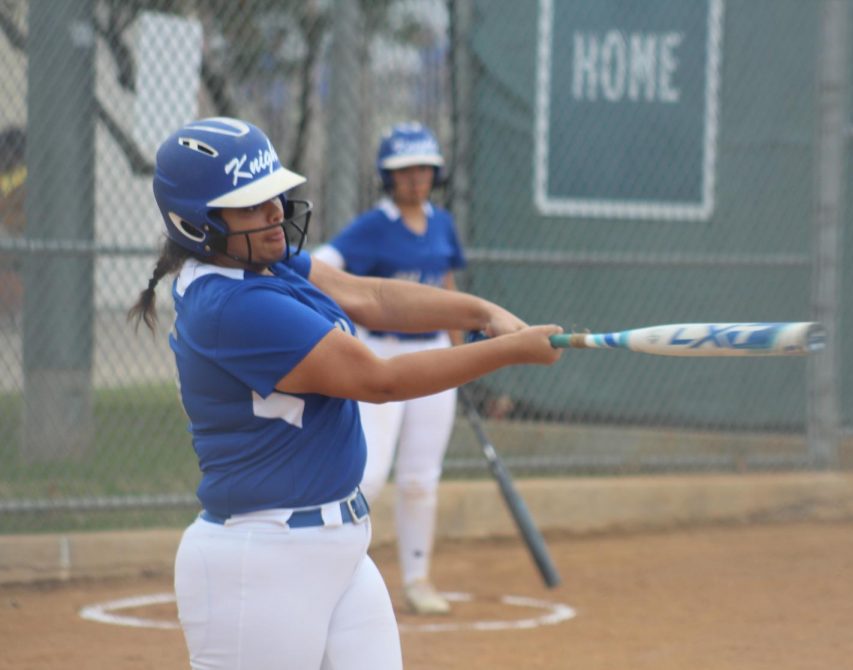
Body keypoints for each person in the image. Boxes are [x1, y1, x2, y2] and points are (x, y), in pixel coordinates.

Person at [128, 116, 562, 670]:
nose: (275, 214)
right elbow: (379, 381)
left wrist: (482, 313)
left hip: (341, 547)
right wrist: (509, 351)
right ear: (197, 224)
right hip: (261, 562)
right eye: (251, 204)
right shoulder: (233, 307)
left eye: (274, 196)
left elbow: (371, 297)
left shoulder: (266, 262)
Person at [313, 122, 464, 615]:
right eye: (404, 170)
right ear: (388, 176)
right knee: (370, 476)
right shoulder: (373, 225)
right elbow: (321, 265)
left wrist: (458, 356)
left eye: (423, 168)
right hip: (381, 355)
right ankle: (326, 575)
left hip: (435, 353)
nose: (416, 178)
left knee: (421, 477)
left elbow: (446, 286)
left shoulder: (442, 223)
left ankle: (418, 579)